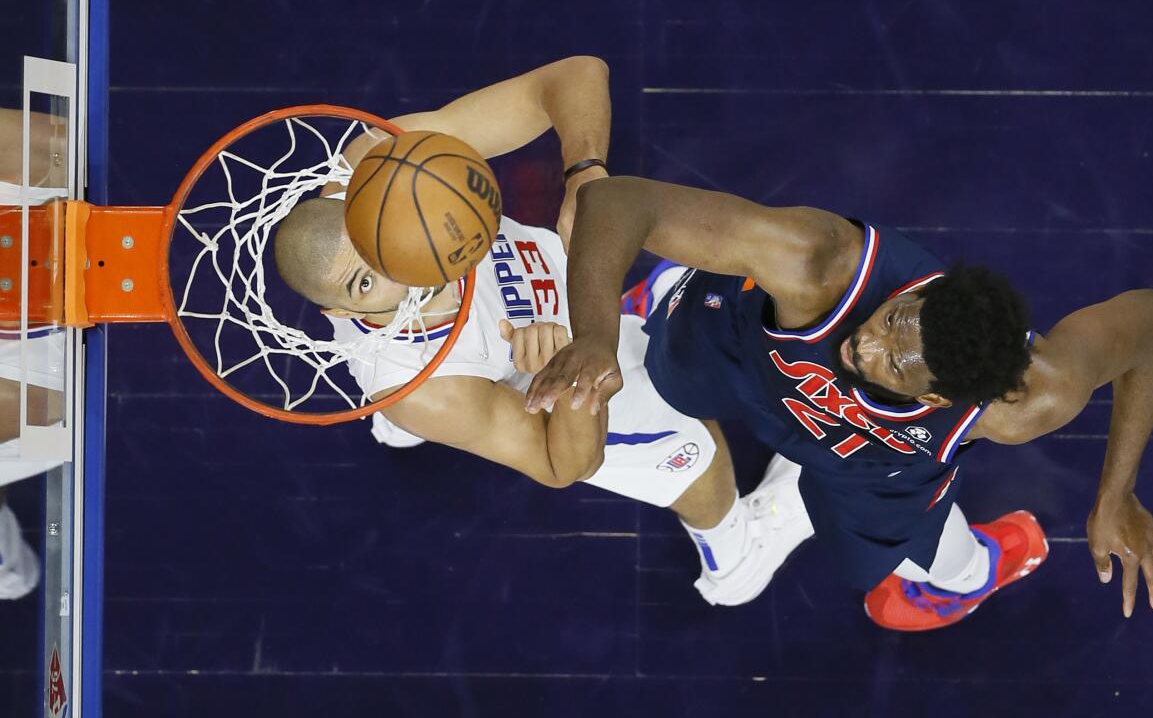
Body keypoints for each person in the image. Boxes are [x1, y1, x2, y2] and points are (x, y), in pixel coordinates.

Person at [273, 58, 811, 605]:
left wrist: (584, 174)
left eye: (378, 242)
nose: (397, 266)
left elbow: (576, 75)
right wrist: (569, 380)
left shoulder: (384, 166)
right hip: (541, 372)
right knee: (697, 450)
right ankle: (737, 557)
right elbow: (563, 465)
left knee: (630, 265)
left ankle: (616, 313)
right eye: (365, 284)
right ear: (338, 314)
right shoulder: (429, 389)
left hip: (561, 295)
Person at [526, 176, 1153, 631]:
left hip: (873, 459)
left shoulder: (1026, 402)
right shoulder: (821, 264)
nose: (863, 343)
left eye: (892, 363)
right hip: (747, 351)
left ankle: (977, 574)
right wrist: (593, 337)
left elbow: (1152, 329)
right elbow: (617, 201)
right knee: (666, 360)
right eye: (894, 320)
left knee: (898, 563)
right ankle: (672, 293)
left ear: (941, 396)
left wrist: (1115, 495)